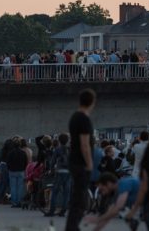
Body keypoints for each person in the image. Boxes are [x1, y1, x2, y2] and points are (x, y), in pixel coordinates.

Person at [66, 88, 96, 231]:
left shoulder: (74, 117)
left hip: (73, 160)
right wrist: (89, 163)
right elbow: (85, 144)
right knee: (80, 199)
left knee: (78, 196)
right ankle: (72, 227)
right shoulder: (84, 119)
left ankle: (72, 226)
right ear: (92, 102)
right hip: (81, 163)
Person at [44, 133, 71, 217]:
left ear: (59, 140)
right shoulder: (70, 149)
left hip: (59, 172)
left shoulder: (57, 149)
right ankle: (63, 211)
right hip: (68, 172)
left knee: (55, 192)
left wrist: (51, 170)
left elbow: (53, 161)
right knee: (66, 193)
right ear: (67, 140)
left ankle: (52, 211)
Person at [5, 138, 28, 207]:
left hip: (12, 171)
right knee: (20, 187)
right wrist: (24, 169)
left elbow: (8, 162)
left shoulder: (10, 153)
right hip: (21, 171)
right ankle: (19, 201)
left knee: (13, 187)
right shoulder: (23, 153)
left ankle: (14, 202)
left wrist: (9, 169)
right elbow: (25, 162)